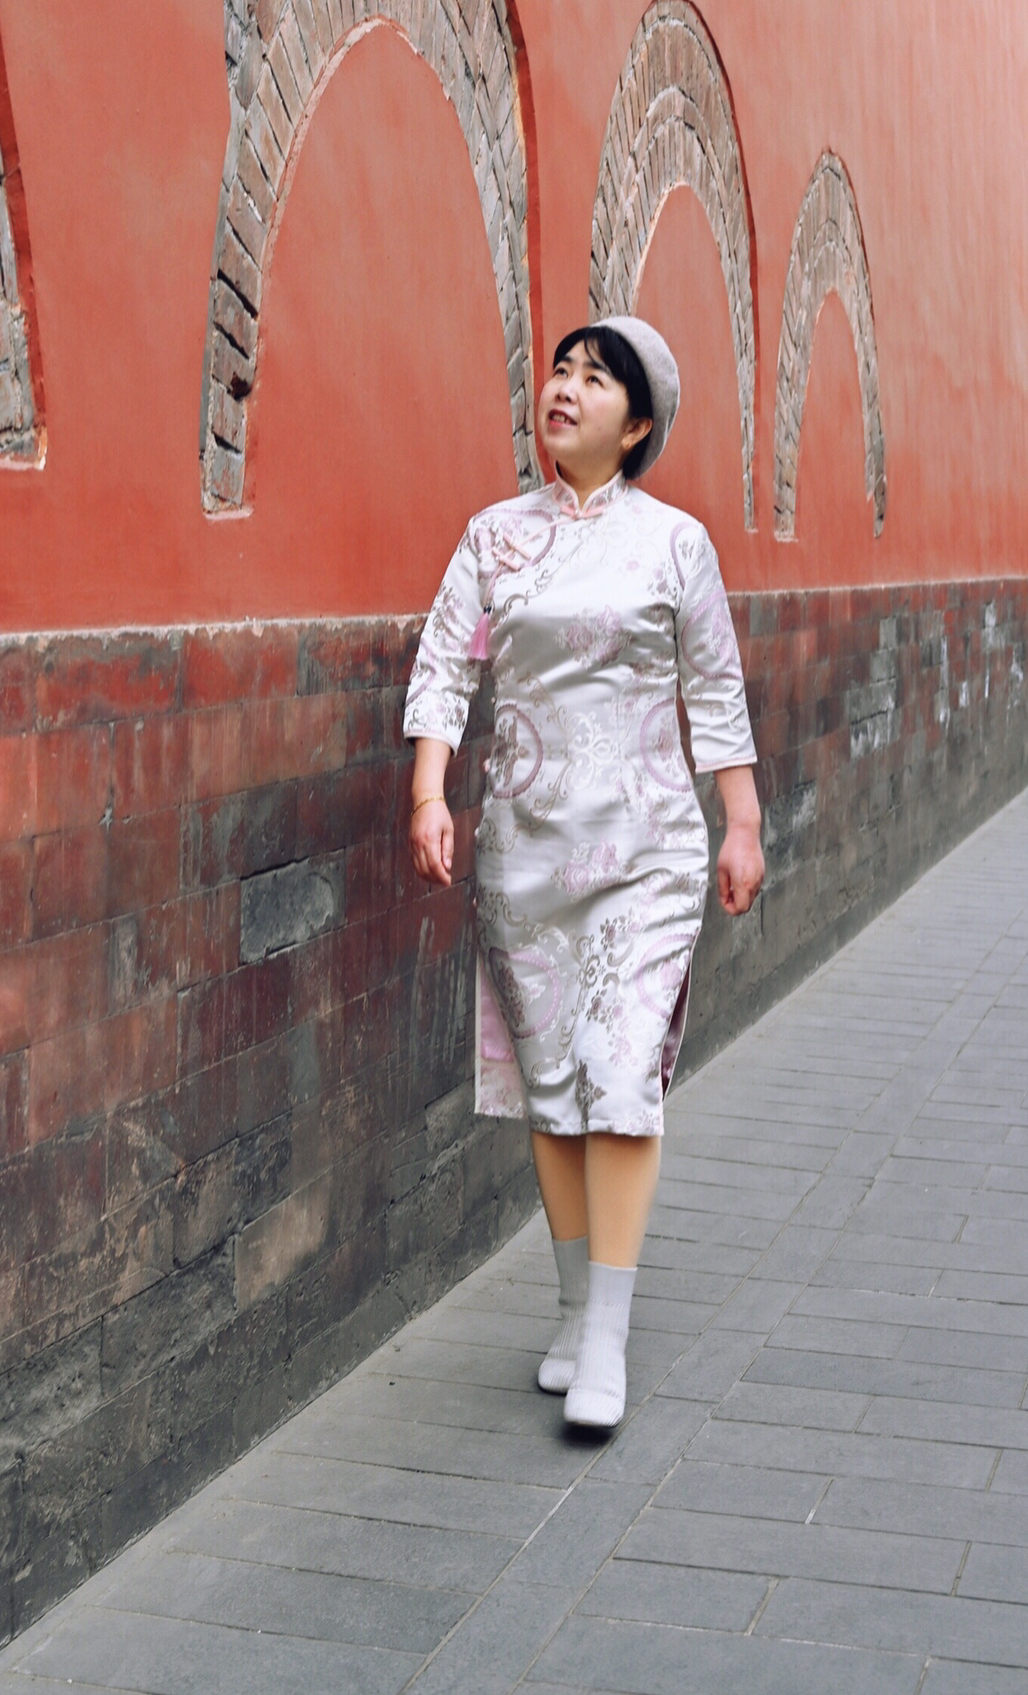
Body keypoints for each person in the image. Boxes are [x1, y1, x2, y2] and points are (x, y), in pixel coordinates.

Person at [404, 316, 763, 1431]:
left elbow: (716, 688)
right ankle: (570, 1308)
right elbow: (445, 665)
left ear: (638, 424)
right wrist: (429, 792)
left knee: (622, 1074)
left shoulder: (676, 545)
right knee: (554, 1087)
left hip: (647, 851)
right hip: (527, 852)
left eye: (595, 379)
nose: (565, 387)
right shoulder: (493, 537)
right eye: (560, 369)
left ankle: (607, 1331)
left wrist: (742, 821)